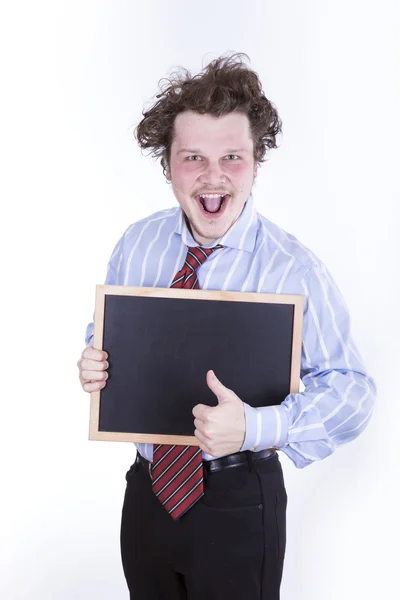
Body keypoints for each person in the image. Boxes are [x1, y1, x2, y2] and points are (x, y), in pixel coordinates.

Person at [77, 52, 376, 600]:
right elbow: (108, 336)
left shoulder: (294, 269)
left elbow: (353, 393)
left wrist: (256, 427)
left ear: (257, 162)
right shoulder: (137, 244)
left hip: (240, 500)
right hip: (146, 494)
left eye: (232, 157)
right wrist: (96, 361)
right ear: (168, 166)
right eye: (193, 157)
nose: (213, 176)